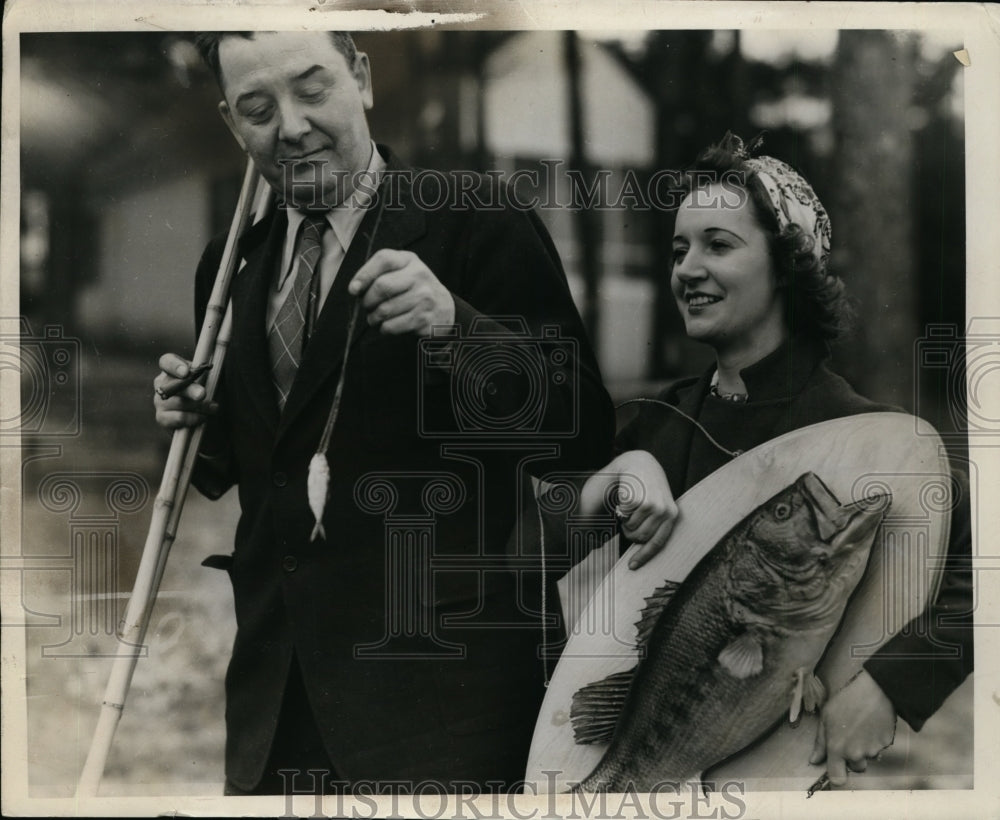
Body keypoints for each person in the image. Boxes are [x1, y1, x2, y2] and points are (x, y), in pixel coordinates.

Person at [152, 30, 616, 795]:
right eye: (258, 109)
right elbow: (261, 463)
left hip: (444, 714)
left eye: (312, 89)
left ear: (361, 77)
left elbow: (584, 431)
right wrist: (195, 418)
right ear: (232, 123)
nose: (291, 126)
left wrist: (458, 328)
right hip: (276, 713)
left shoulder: (477, 218)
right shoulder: (232, 263)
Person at [576, 133, 973, 789]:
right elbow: (532, 562)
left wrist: (888, 685)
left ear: (788, 265)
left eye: (718, 245)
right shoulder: (653, 424)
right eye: (679, 250)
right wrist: (612, 478)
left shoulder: (862, 433)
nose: (687, 269)